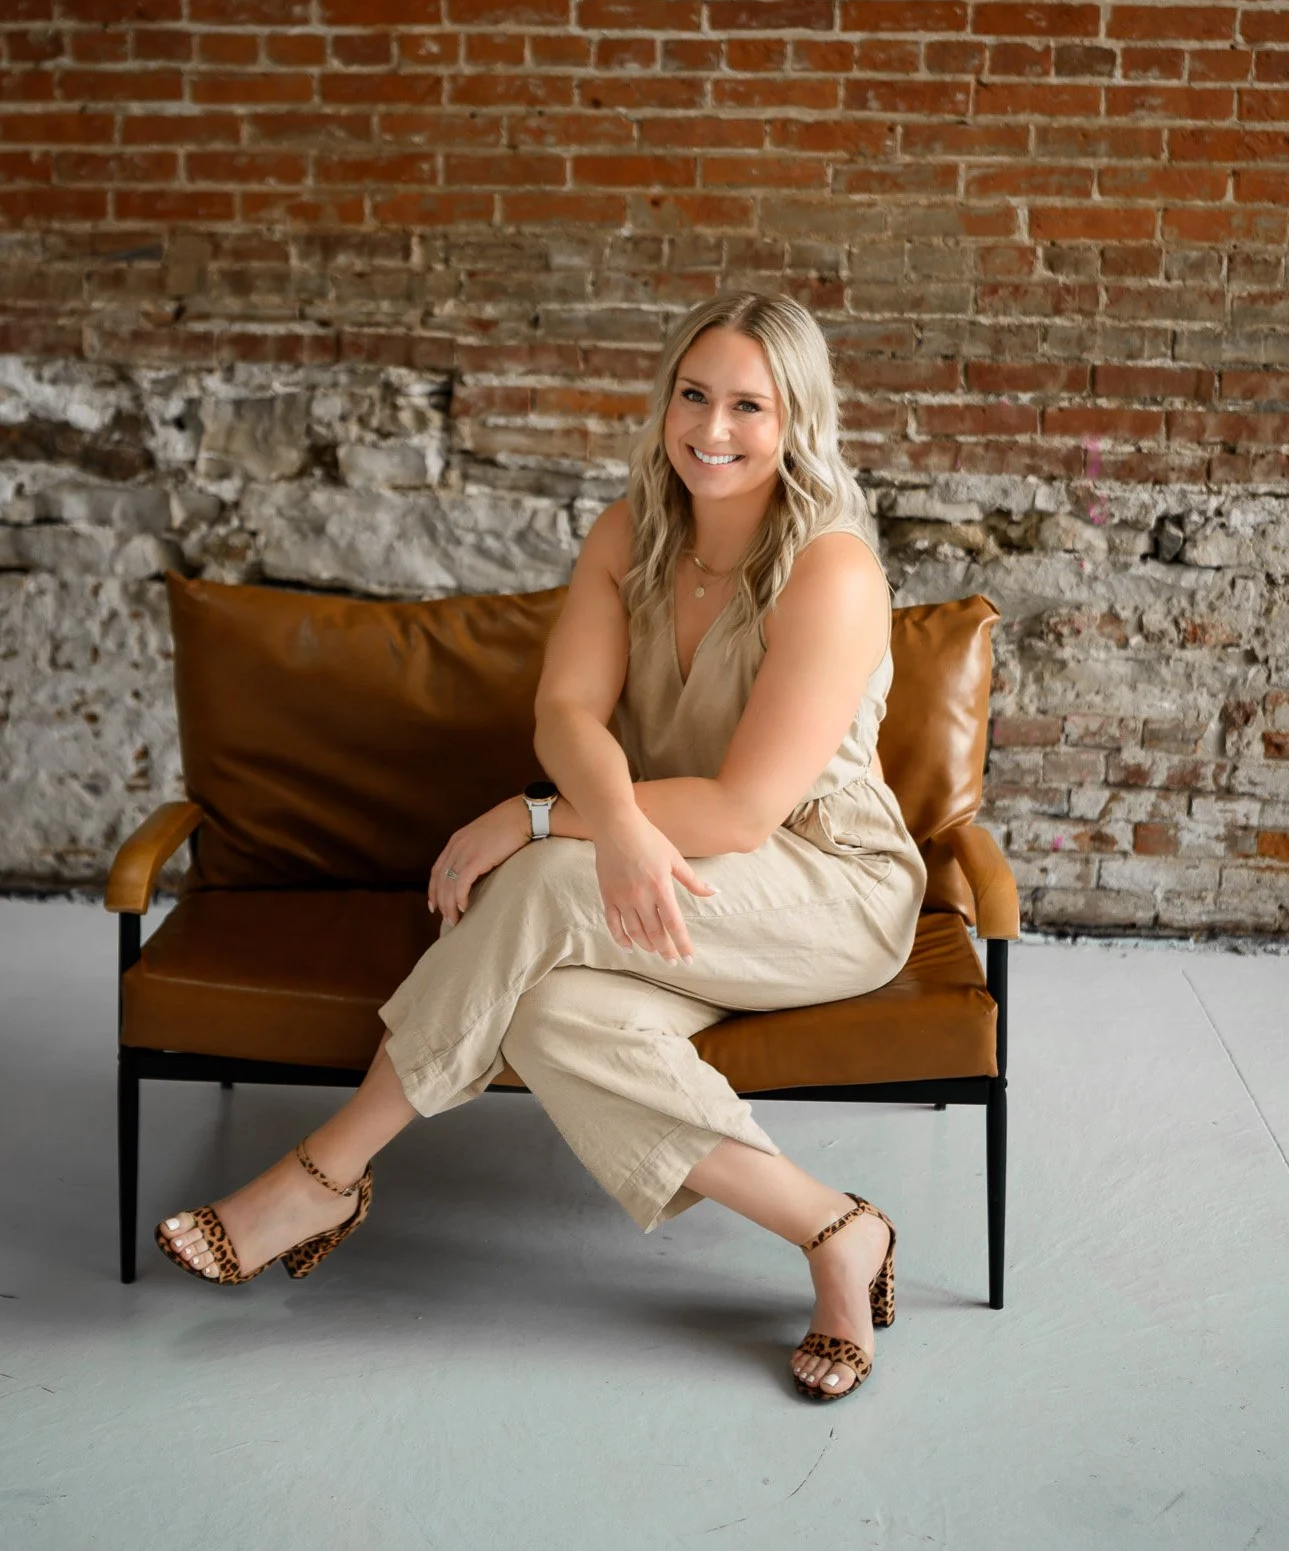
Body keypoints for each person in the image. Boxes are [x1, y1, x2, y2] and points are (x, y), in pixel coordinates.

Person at [155, 289, 928, 1402]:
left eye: (749, 405)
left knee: (551, 873)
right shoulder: (631, 529)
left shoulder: (831, 569)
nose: (713, 427)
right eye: (693, 394)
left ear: (798, 417)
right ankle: (838, 1230)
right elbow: (565, 715)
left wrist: (539, 819)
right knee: (548, 1010)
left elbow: (747, 811)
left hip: (822, 885)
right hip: (682, 871)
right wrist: (608, 818)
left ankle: (326, 1168)